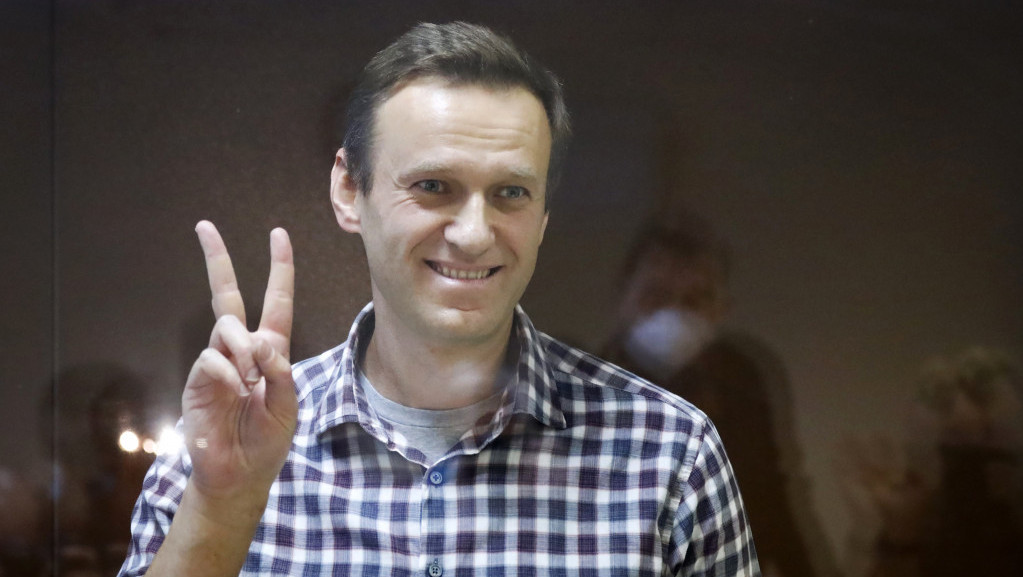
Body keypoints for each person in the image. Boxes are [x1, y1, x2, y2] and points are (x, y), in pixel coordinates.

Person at [119, 22, 759, 577]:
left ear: (543, 215)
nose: (474, 234)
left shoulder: (668, 455)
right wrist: (222, 508)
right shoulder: (222, 450)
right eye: (433, 186)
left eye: (511, 193)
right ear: (349, 191)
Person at [602, 223, 831, 577]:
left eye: (695, 300)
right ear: (623, 301)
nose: (674, 313)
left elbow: (768, 495)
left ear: (721, 310)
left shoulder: (740, 380)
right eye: (656, 295)